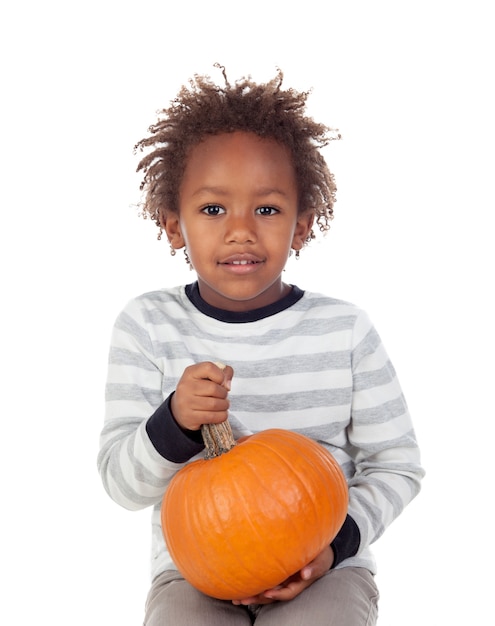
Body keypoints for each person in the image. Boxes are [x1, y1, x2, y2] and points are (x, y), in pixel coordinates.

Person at [98, 65, 424, 626]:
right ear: (173, 225)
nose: (241, 229)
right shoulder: (147, 325)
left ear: (302, 225)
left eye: (268, 209)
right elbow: (120, 485)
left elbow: (398, 465)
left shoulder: (344, 330)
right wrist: (173, 422)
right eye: (213, 209)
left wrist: (334, 548)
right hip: (195, 573)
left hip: (324, 565)